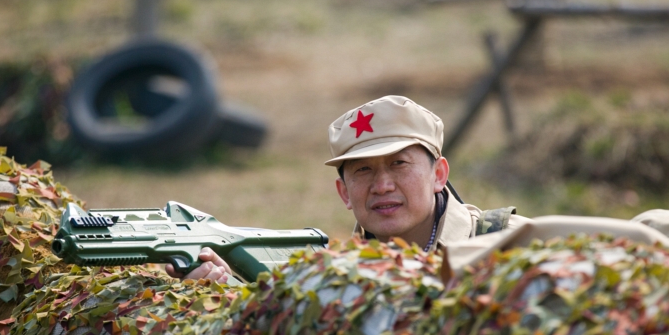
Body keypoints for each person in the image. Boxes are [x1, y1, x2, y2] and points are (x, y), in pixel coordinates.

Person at [170, 95, 527, 282]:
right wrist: (220, 284)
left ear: (439, 175)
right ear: (344, 193)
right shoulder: (335, 274)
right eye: (363, 171)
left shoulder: (513, 244)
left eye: (399, 164)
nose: (382, 185)